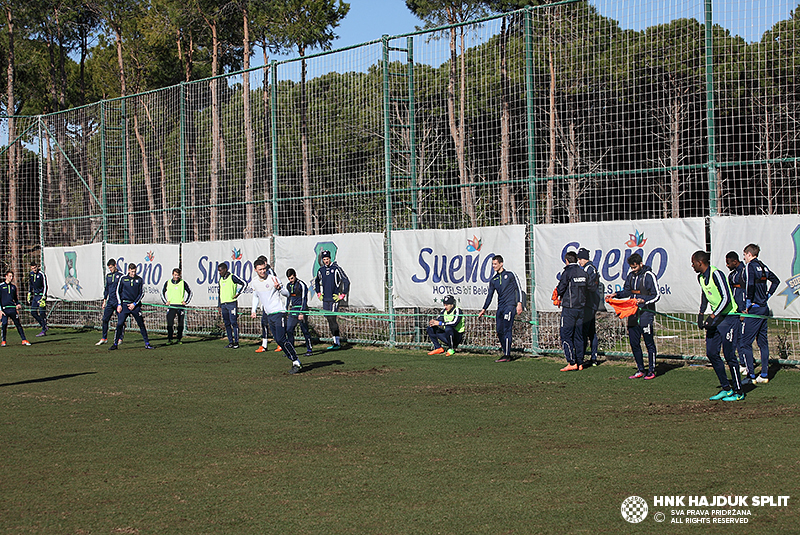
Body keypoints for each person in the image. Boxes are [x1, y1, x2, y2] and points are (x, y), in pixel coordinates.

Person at [692, 251, 745, 401]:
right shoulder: (701, 277)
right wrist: (701, 314)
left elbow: (726, 298)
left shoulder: (717, 274)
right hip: (717, 318)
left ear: (700, 262)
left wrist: (713, 315)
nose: (692, 265)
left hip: (729, 318)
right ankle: (726, 388)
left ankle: (739, 391)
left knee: (729, 355)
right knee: (712, 353)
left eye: (693, 262)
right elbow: (705, 296)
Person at [610, 253, 660, 379]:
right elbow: (627, 291)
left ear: (641, 264)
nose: (633, 270)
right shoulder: (631, 276)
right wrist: (616, 295)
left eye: (635, 267)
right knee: (634, 342)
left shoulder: (649, 276)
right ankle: (640, 369)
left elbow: (656, 295)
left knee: (648, 342)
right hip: (632, 313)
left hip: (646, 314)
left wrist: (644, 301)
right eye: (631, 268)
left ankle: (652, 370)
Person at [251, 257, 303, 374]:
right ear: (255, 270)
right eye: (260, 270)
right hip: (269, 314)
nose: (263, 272)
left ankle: (296, 361)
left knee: (281, 338)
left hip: (279, 312)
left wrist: (279, 288)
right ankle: (294, 360)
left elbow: (287, 293)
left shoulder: (273, 279)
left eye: (264, 269)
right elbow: (255, 296)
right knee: (278, 340)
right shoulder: (254, 282)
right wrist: (253, 309)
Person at [740, 243, 780, 384]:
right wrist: (767, 295)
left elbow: (750, 284)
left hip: (755, 309)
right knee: (763, 342)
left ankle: (751, 376)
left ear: (749, 254)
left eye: (744, 255)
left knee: (745, 343)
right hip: (764, 307)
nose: (743, 257)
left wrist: (748, 303)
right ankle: (764, 374)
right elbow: (776, 281)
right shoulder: (763, 266)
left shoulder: (750, 266)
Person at [477, 254, 524, 362]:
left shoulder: (510, 275)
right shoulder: (494, 280)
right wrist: (484, 309)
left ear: (501, 264)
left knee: (507, 329)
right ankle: (505, 352)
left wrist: (519, 303)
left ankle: (507, 355)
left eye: (495, 264)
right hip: (501, 307)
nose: (493, 266)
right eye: (492, 264)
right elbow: (490, 295)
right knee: (499, 331)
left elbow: (518, 288)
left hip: (510, 306)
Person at [109, 263, 152, 350]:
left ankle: (147, 343)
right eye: (132, 271)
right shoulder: (123, 279)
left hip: (135, 305)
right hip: (124, 305)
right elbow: (118, 291)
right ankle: (115, 343)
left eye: (134, 271)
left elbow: (141, 293)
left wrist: (135, 304)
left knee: (141, 324)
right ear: (128, 270)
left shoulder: (139, 280)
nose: (133, 273)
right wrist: (119, 304)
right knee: (120, 323)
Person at [556, 251, 587, 371]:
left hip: (569, 308)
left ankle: (571, 362)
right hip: (581, 308)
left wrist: (557, 295)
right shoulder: (583, 272)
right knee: (579, 336)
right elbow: (590, 287)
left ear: (566, 261)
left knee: (565, 336)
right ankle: (580, 362)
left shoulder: (567, 272)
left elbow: (561, 287)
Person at [314, 250, 350, 350]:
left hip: (334, 299)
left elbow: (346, 281)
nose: (326, 261)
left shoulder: (336, 269)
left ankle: (337, 342)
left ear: (330, 259)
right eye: (324, 259)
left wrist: (342, 295)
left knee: (332, 318)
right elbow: (316, 281)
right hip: (326, 299)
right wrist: (318, 292)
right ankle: (335, 341)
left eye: (327, 259)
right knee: (329, 319)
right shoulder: (321, 270)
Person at [577, 247, 602, 366]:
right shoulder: (591, 268)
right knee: (591, 331)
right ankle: (593, 357)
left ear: (585, 258)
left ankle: (581, 358)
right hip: (591, 304)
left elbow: (587, 286)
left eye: (580, 258)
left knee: (584, 331)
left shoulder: (589, 269)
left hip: (589, 304)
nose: (579, 261)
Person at [725, 251, 747, 376]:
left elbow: (746, 292)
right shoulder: (732, 275)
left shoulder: (744, 272)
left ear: (735, 261)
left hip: (743, 310)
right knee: (736, 337)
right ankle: (742, 362)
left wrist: (744, 309)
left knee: (743, 338)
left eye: (728, 262)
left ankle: (746, 364)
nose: (727, 265)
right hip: (734, 310)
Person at [217, 262, 247, 349]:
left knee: (234, 322)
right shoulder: (220, 280)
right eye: (218, 271)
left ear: (225, 270)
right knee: (226, 323)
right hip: (224, 305)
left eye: (220, 270)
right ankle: (230, 341)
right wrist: (219, 305)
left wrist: (238, 293)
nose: (219, 272)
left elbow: (244, 283)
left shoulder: (232, 277)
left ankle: (236, 342)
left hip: (231, 303)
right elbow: (220, 293)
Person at [286, 268, 313, 356]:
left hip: (301, 309)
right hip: (293, 310)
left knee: (304, 329)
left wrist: (302, 312)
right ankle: (291, 350)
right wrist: (286, 310)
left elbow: (304, 298)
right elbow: (288, 298)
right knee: (289, 329)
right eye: (289, 279)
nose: (291, 280)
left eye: (292, 278)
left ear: (295, 276)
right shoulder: (288, 286)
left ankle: (309, 349)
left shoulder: (301, 284)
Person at [161, 268, 192, 345]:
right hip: (171, 306)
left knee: (180, 323)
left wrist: (186, 302)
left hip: (180, 306)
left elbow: (190, 292)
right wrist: (166, 301)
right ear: (172, 274)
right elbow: (162, 292)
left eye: (178, 275)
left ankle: (179, 338)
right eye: (175, 275)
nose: (177, 276)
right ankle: (170, 339)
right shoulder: (168, 282)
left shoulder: (183, 283)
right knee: (170, 322)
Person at [97, 259, 124, 345]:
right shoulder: (108, 276)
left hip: (118, 301)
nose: (110, 269)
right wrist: (104, 300)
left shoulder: (120, 276)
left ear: (115, 265)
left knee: (120, 320)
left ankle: (120, 338)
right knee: (105, 319)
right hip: (110, 301)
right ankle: (104, 338)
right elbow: (106, 289)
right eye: (109, 268)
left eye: (111, 267)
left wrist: (121, 302)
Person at [0, 271, 31, 346]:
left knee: (18, 324)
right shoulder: (1, 286)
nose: (11, 278)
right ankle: (3, 340)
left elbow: (15, 299)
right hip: (4, 309)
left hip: (12, 309)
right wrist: (0, 310)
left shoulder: (13, 287)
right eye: (10, 276)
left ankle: (24, 339)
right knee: (4, 324)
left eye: (12, 276)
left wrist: (17, 304)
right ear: (6, 276)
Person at [28, 262, 48, 336]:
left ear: (37, 267)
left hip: (40, 296)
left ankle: (43, 330)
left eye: (35, 268)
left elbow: (45, 286)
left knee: (42, 313)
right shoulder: (31, 274)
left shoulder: (41, 274)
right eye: (32, 268)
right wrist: (29, 293)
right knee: (33, 312)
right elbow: (31, 284)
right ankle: (44, 325)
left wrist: (43, 297)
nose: (34, 269)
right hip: (35, 296)